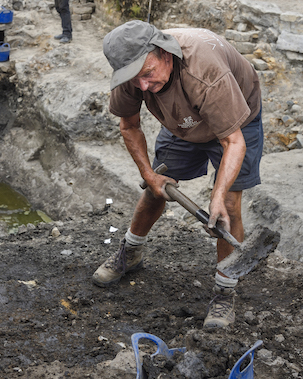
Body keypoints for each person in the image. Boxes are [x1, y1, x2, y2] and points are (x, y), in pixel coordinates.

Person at [94, 21, 264, 330]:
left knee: (229, 203)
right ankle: (130, 252)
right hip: (182, 121)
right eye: (135, 80)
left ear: (163, 52)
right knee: (155, 189)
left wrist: (216, 197)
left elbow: (233, 141)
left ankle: (224, 292)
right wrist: (149, 173)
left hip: (236, 120)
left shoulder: (204, 71)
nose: (143, 87)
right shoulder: (132, 74)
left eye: (147, 74)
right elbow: (129, 125)